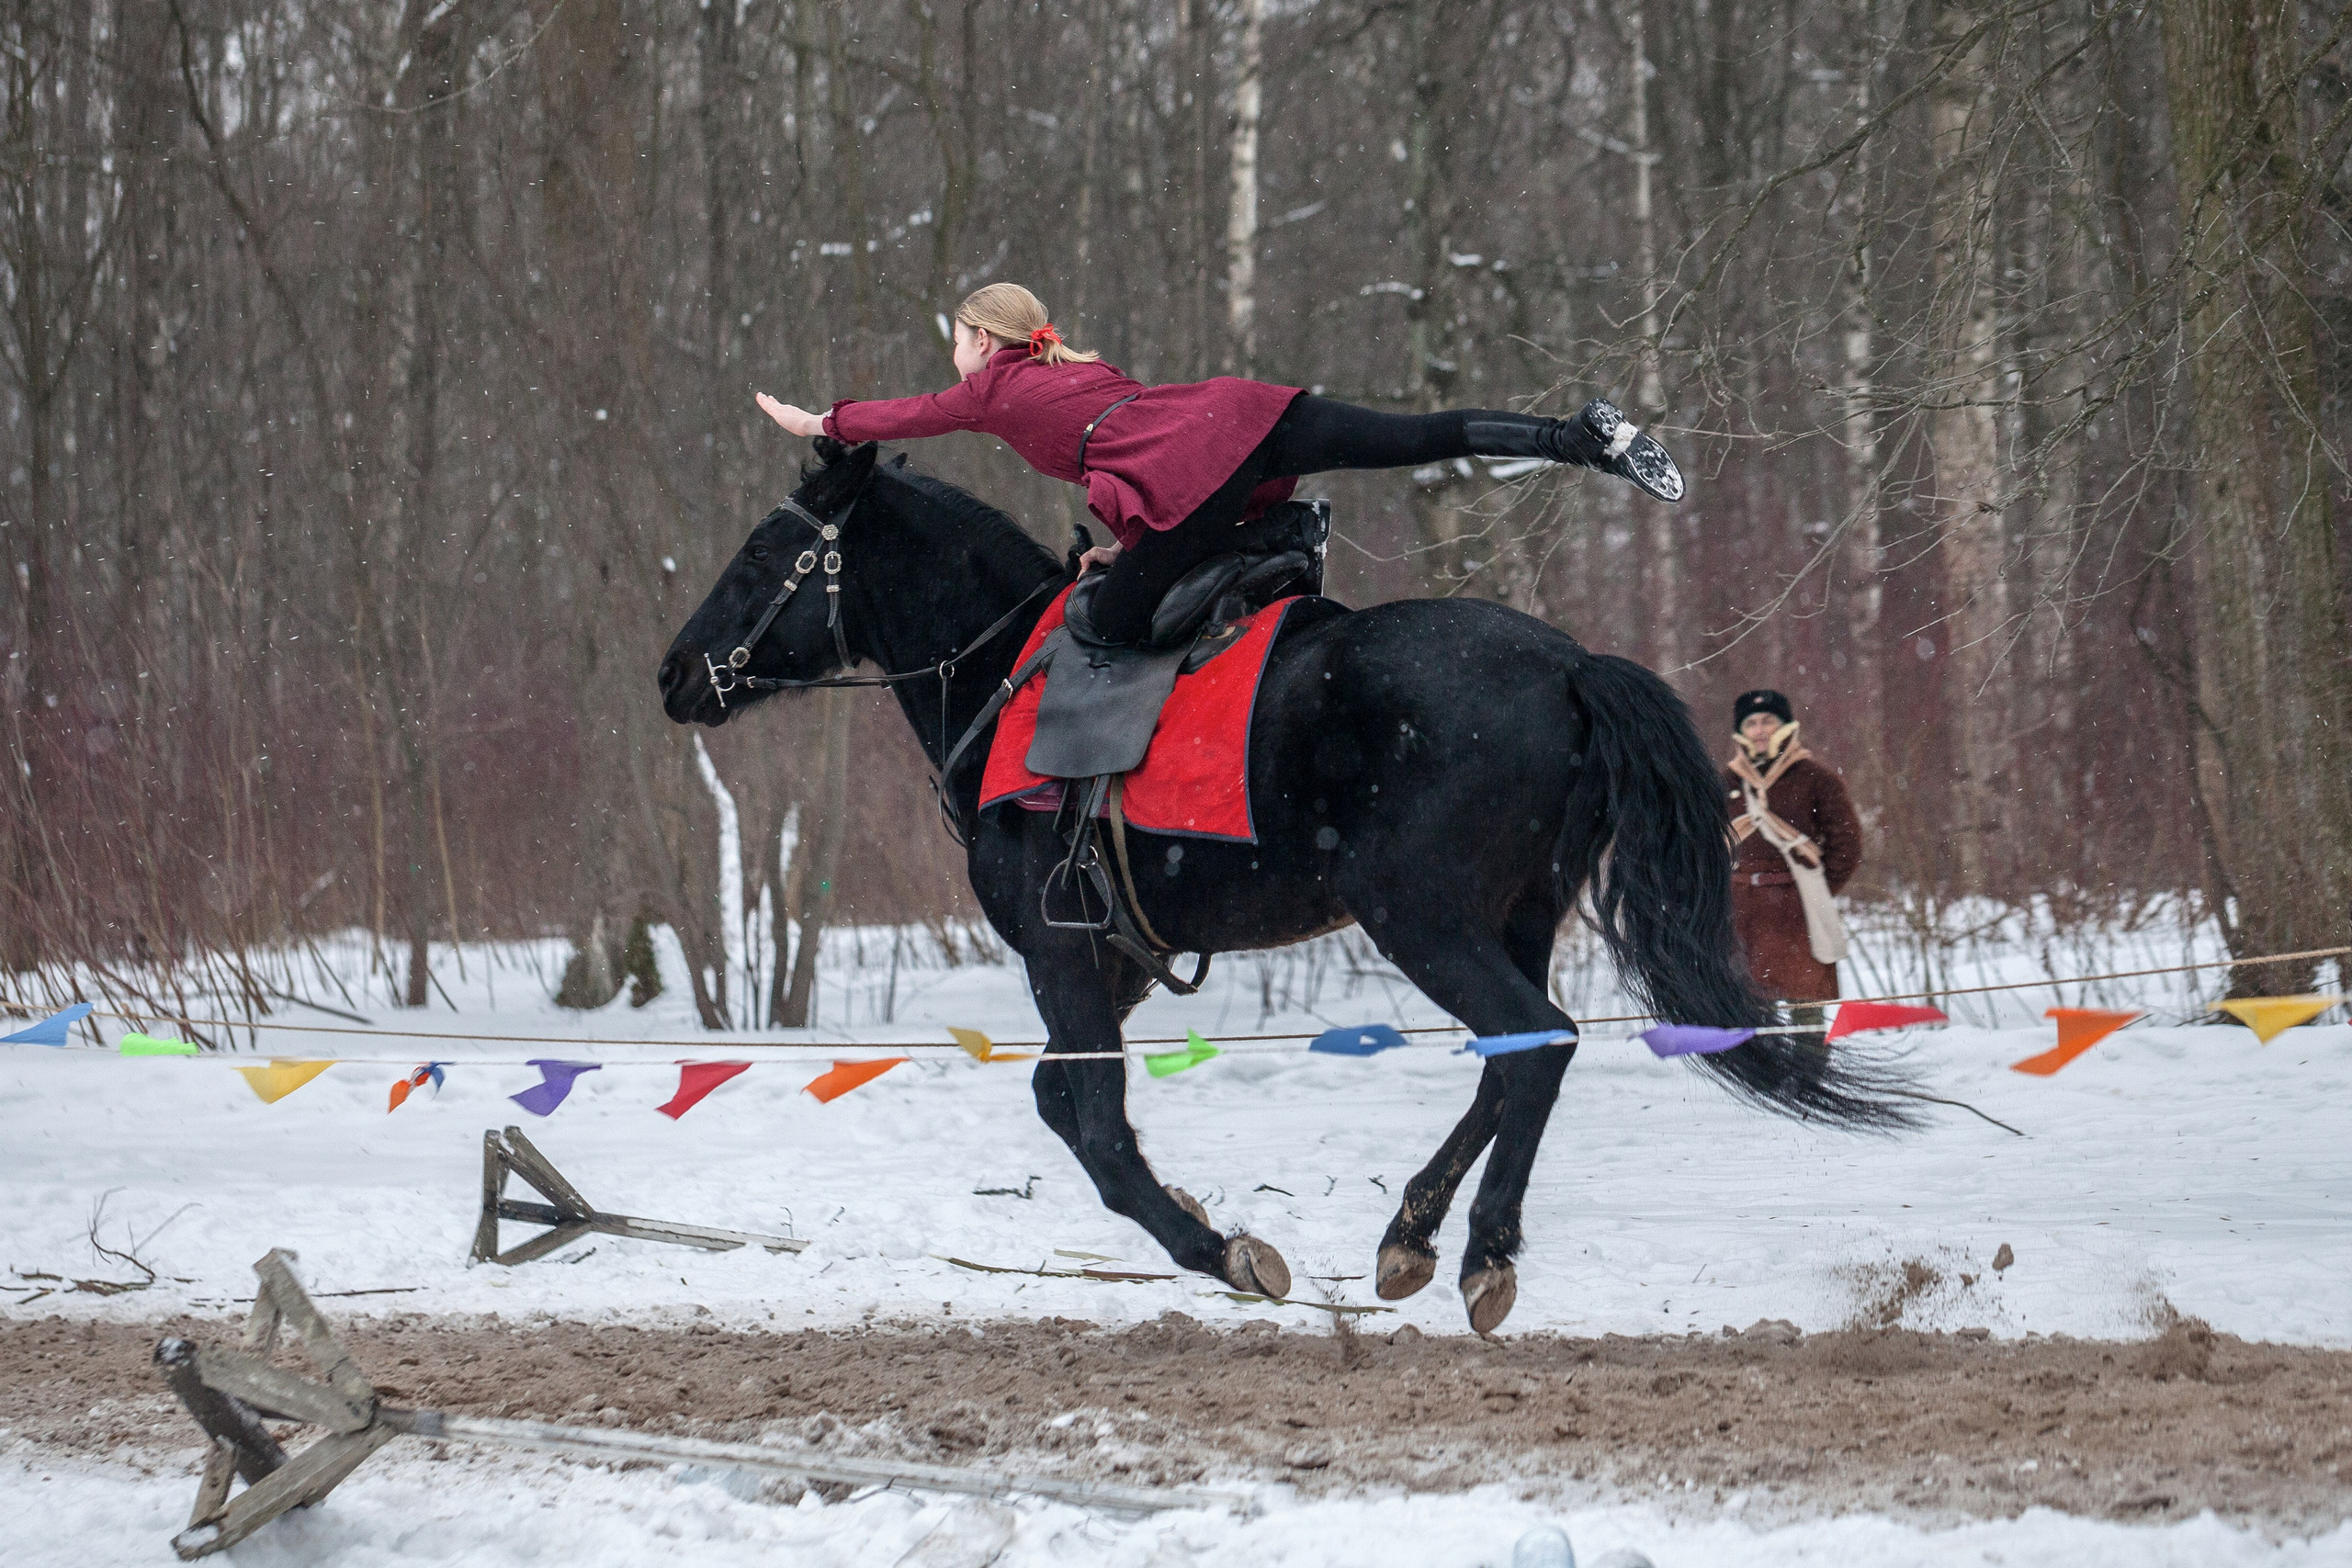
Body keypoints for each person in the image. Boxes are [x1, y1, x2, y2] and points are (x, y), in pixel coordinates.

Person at [755, 282, 1684, 644]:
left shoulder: (993, 389)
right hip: (1242, 415)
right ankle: (1576, 437)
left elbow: (908, 413)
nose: (953, 356)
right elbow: (1125, 459)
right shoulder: (1075, 370)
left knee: (1111, 626)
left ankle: (1157, 796)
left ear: (979, 337)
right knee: (1418, 435)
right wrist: (1121, 540)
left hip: (1195, 478)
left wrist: (819, 422)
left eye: (957, 338)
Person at [1723, 690, 1863, 1011]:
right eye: (1751, 723)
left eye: (1768, 721)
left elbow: (1847, 845)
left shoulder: (1816, 779)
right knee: (1750, 1021)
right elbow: (1707, 847)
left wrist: (1815, 890)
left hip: (1798, 916)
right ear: (1741, 732)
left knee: (1807, 1018)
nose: (1759, 730)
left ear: (1785, 726)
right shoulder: (1725, 783)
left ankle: (1812, 1064)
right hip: (1742, 916)